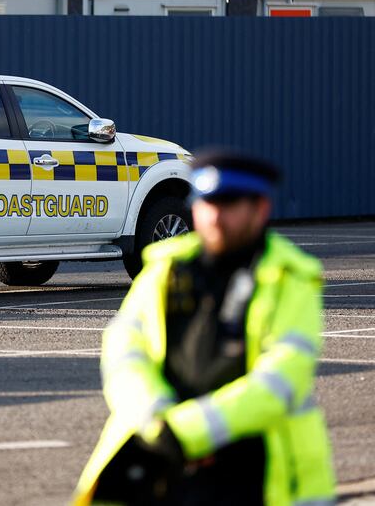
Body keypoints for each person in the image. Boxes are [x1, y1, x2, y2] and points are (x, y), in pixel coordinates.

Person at [73, 151, 335, 506]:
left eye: (228, 204)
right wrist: (154, 418)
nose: (213, 216)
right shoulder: (165, 269)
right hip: (161, 463)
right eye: (205, 203)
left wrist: (185, 432)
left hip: (254, 474)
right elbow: (124, 350)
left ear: (260, 209)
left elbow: (283, 378)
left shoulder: (291, 278)